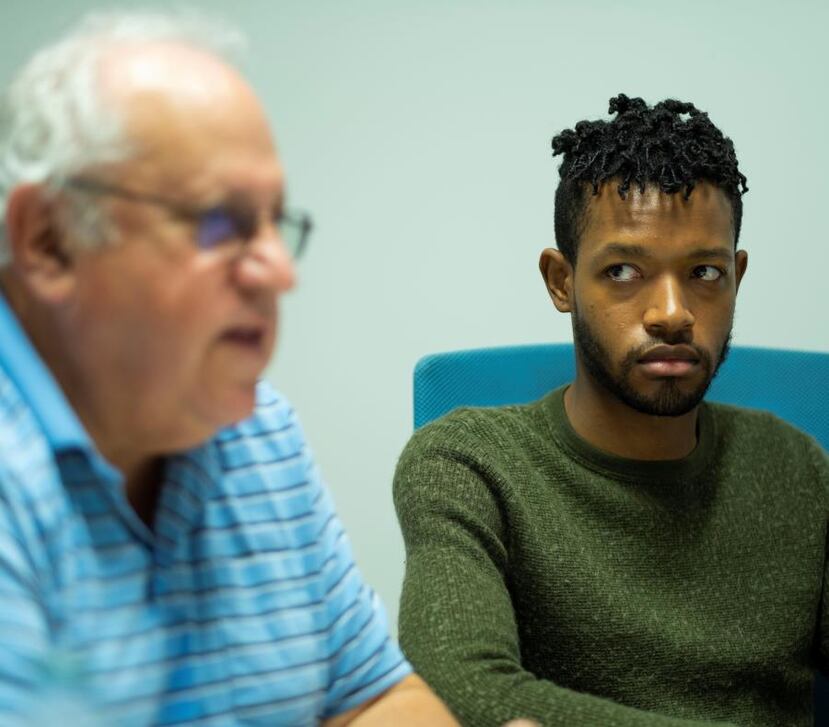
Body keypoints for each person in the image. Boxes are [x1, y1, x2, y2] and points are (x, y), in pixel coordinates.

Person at [0, 11, 457, 726]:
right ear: (49, 241)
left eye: (278, 222)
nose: (279, 270)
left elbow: (374, 694)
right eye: (220, 222)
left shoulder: (258, 431)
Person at [393, 94, 829, 726]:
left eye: (704, 272)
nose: (673, 312)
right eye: (624, 270)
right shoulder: (469, 464)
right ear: (561, 281)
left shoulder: (794, 464)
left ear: (736, 277)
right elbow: (466, 691)